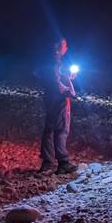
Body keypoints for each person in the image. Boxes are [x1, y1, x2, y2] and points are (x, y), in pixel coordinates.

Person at [39, 37, 78, 174]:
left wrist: (68, 77)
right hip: (59, 99)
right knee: (61, 129)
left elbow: (50, 78)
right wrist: (68, 91)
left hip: (49, 98)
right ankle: (63, 163)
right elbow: (57, 82)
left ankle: (48, 162)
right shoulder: (56, 62)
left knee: (49, 129)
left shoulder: (47, 60)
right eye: (64, 45)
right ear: (58, 47)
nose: (66, 47)